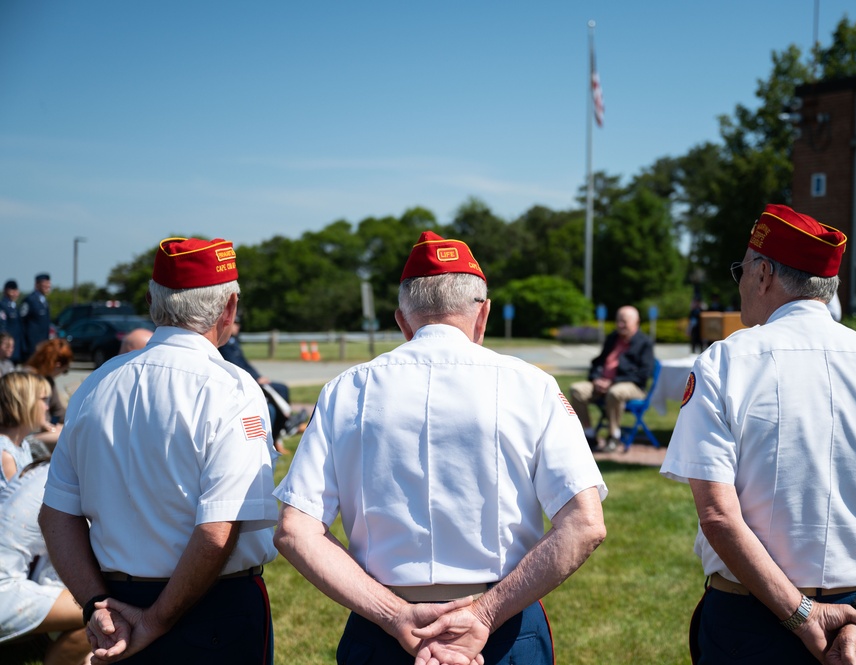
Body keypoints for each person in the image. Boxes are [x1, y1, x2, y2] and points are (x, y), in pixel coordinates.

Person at [273, 230, 607, 665]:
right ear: (482, 314)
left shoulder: (346, 390)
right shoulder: (532, 386)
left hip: (384, 628)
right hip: (502, 625)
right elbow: (585, 523)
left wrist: (395, 615)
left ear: (402, 320)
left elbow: (295, 530)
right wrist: (484, 615)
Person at [661, 204, 856, 664]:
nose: (739, 283)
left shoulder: (726, 362)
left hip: (752, 619)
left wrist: (804, 616)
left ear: (762, 274)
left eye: (741, 269)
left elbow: (718, 514)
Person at [40, 236, 279, 664]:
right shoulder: (231, 387)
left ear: (153, 301)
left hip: (115, 604)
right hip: (213, 608)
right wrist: (154, 620)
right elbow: (218, 529)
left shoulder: (96, 384)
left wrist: (98, 606)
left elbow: (56, 513)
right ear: (230, 308)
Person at [0, 460, 92, 665]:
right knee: (105, 609)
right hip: (3, 593)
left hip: (10, 582)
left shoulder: (49, 469)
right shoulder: (74, 480)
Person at [218, 312, 308, 455]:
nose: (237, 327)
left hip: (251, 378)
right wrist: (255, 378)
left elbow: (245, 364)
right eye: (235, 323)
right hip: (244, 381)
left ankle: (286, 424)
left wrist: (259, 376)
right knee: (275, 395)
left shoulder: (234, 342)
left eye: (238, 324)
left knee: (281, 389)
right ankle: (288, 423)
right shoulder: (224, 344)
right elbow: (235, 366)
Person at [569, 305, 655, 451]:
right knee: (576, 389)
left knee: (615, 392)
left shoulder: (644, 343)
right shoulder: (612, 338)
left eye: (624, 321)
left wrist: (613, 382)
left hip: (630, 386)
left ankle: (614, 436)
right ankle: (589, 435)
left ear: (636, 322)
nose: (620, 325)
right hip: (602, 383)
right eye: (618, 321)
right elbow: (598, 362)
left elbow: (643, 373)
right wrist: (596, 378)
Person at [0, 371, 51, 490]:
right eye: (44, 400)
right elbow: (13, 505)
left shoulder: (21, 444)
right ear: (25, 403)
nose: (47, 407)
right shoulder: (5, 455)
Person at [24, 338, 74, 427]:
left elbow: (59, 412)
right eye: (64, 371)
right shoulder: (26, 380)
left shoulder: (48, 380)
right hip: (29, 432)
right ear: (57, 365)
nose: (62, 374)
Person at [21, 273, 52, 360]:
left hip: (43, 344)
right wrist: (26, 345)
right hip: (32, 346)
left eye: (48, 283)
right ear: (37, 284)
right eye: (44, 284)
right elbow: (22, 322)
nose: (47, 286)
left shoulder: (44, 302)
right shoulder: (30, 300)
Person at [0, 280, 24, 363]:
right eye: (12, 290)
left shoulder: (14, 307)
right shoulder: (3, 306)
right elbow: (2, 327)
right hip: (7, 348)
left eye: (16, 290)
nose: (14, 293)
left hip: (15, 348)